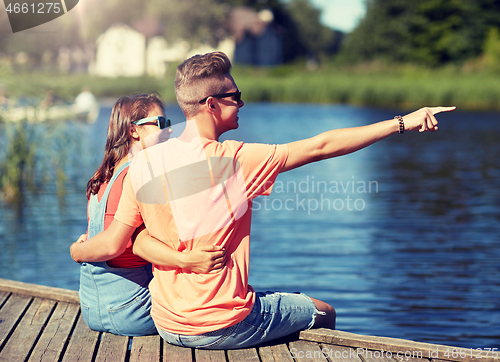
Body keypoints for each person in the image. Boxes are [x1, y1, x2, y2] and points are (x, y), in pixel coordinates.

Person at [71, 52, 455, 349]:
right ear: (211, 105)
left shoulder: (147, 162)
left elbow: (132, 238)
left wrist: (184, 258)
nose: (241, 102)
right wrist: (403, 122)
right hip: (221, 325)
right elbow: (321, 146)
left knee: (267, 294)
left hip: (169, 322)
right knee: (323, 311)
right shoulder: (233, 161)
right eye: (235, 96)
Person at [75, 93, 226, 336]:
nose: (169, 130)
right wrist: (76, 252)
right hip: (131, 309)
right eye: (162, 123)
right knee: (211, 311)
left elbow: (103, 232)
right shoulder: (139, 173)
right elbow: (115, 245)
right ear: (134, 131)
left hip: (92, 308)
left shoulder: (102, 177)